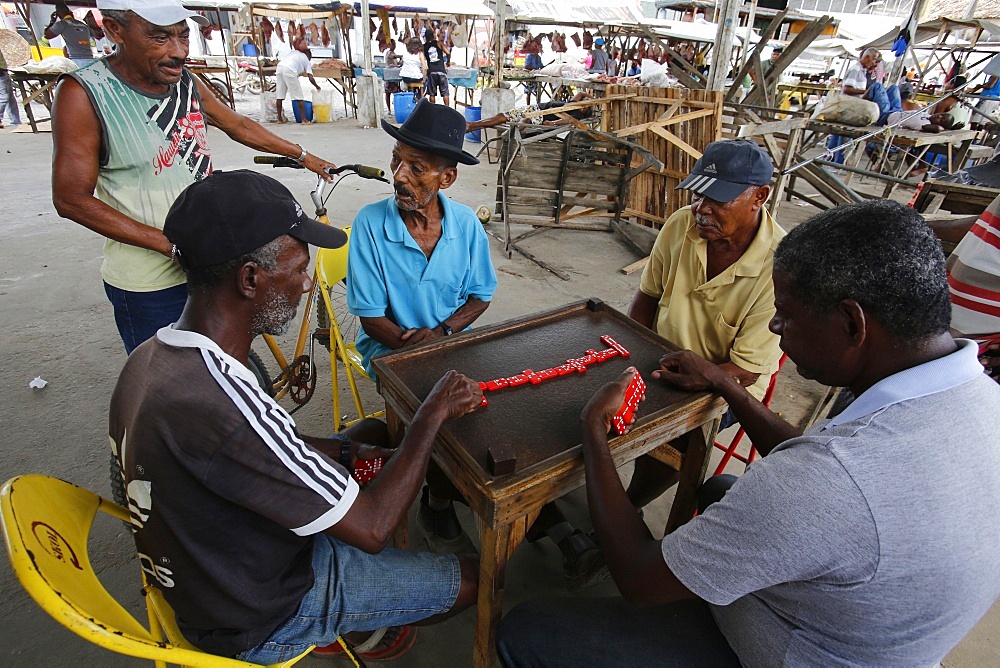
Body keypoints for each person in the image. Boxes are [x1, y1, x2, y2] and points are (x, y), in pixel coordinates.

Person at [497, 198, 1000, 667]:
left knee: (523, 629)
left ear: (852, 323)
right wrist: (722, 381)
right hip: (874, 623)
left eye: (789, 314)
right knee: (719, 488)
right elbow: (822, 476)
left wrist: (592, 430)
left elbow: (637, 578)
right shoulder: (980, 399)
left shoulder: (823, 483)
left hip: (793, 653)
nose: (776, 327)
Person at [111, 169, 481, 664]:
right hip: (262, 610)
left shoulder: (152, 356)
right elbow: (372, 529)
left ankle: (367, 604)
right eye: (299, 267)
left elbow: (263, 442)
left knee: (369, 435)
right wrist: (429, 417)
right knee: (475, 577)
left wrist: (354, 452)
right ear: (249, 278)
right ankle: (346, 623)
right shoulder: (222, 406)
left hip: (211, 562)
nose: (308, 285)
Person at [529, 139, 785, 589]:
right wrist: (628, 355)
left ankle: (621, 512)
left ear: (759, 197)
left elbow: (745, 368)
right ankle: (548, 507)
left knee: (673, 449)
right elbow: (645, 300)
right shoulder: (681, 226)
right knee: (571, 399)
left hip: (720, 387)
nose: (701, 209)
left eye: (717, 199)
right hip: (654, 359)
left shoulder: (780, 266)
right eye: (698, 194)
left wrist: (685, 384)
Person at [50, 0, 337, 354]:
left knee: (225, 368)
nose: (179, 52)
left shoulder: (185, 81)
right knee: (170, 381)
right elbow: (70, 199)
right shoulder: (83, 93)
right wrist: (168, 246)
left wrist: (303, 155)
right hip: (150, 283)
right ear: (114, 30)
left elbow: (238, 124)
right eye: (160, 38)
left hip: (208, 265)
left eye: (183, 36)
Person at [347, 99, 497, 554]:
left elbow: (480, 295)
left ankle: (459, 488)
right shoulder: (371, 224)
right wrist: (419, 352)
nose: (398, 176)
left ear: (446, 178)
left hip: (452, 343)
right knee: (429, 415)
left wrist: (447, 333)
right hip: (390, 349)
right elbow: (372, 318)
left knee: (489, 407)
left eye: (416, 167)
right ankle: (436, 495)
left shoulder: (467, 224)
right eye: (396, 161)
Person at [464, 91, 594, 131]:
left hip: (540, 116)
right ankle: (474, 125)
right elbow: (582, 93)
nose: (583, 106)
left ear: (585, 112)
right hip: (535, 108)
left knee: (525, 121)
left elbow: (566, 120)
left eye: (586, 107)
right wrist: (592, 99)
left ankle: (511, 134)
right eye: (585, 104)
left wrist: (553, 124)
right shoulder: (574, 103)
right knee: (503, 116)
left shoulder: (577, 114)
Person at [275, 37, 320, 124]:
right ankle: (304, 119)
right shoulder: (306, 60)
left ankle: (279, 119)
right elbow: (310, 78)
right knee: (298, 96)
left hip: (280, 67)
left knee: (280, 95)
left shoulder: (294, 53)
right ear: (309, 56)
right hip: (289, 70)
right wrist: (317, 86)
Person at [423, 27, 449, 106]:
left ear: (425, 37)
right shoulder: (439, 43)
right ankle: (447, 110)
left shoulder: (424, 46)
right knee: (445, 93)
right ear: (433, 35)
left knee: (432, 93)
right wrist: (448, 61)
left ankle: (432, 111)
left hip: (432, 72)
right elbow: (448, 52)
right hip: (441, 71)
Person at [399, 37, 425, 101]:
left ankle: (413, 96)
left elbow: (401, 62)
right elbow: (425, 68)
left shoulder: (405, 53)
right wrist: (424, 80)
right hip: (416, 77)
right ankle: (419, 97)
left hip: (405, 77)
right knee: (426, 80)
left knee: (414, 80)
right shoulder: (420, 54)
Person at [382, 39, 402, 111]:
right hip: (389, 76)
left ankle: (396, 108)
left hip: (394, 76)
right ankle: (389, 109)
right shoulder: (389, 53)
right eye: (393, 44)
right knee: (388, 94)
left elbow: (397, 63)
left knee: (396, 93)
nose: (394, 46)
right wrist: (402, 56)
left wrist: (401, 62)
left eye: (395, 44)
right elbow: (393, 56)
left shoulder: (393, 52)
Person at [0, 64, 21, 128]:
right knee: (4, 97)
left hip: (3, 72)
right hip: (1, 74)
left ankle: (16, 121)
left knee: (10, 99)